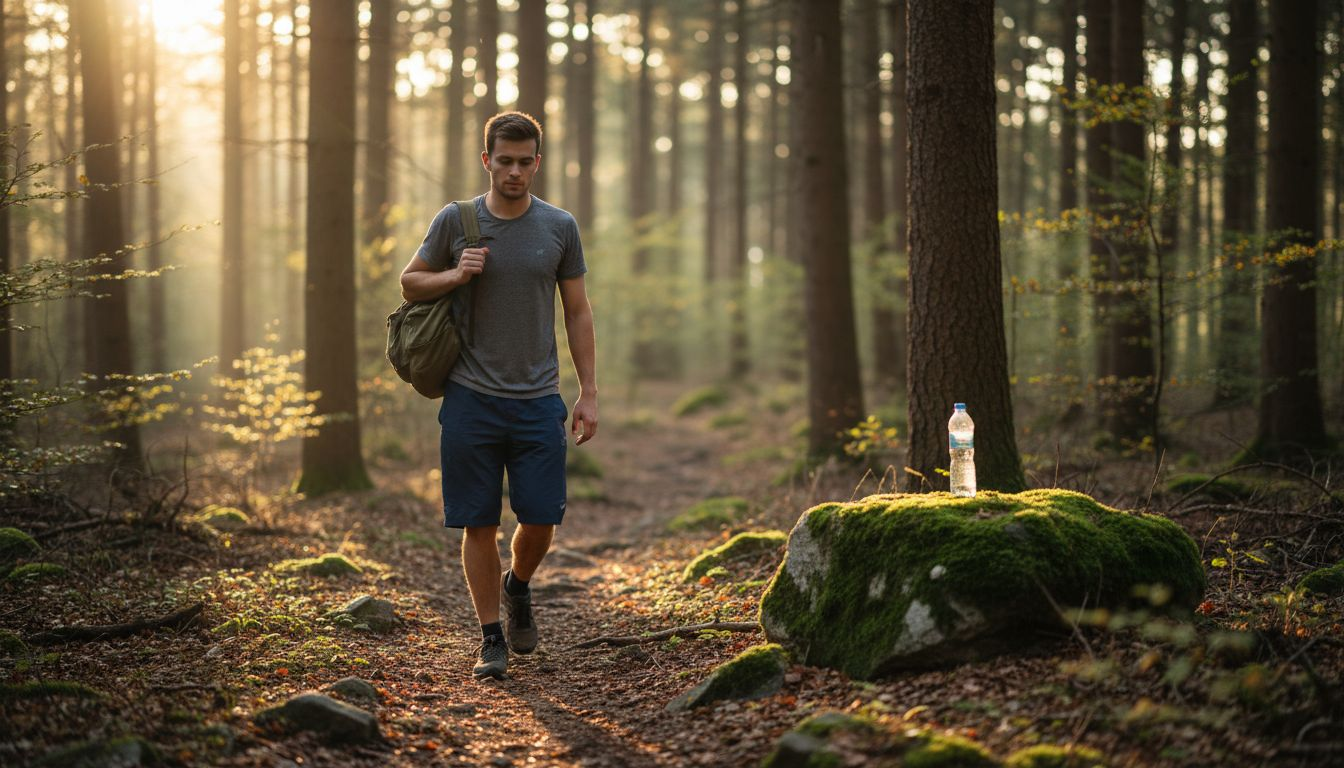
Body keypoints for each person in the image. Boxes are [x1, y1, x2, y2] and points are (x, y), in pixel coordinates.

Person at [399, 111, 597, 680]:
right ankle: (491, 637)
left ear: (538, 161)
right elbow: (411, 283)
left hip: (538, 400)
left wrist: (588, 392)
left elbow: (578, 310)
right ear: (486, 160)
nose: (514, 171)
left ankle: (519, 584)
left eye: (524, 161)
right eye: (503, 160)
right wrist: (456, 275)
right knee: (477, 522)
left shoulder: (559, 226)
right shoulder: (455, 221)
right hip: (469, 398)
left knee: (540, 520)